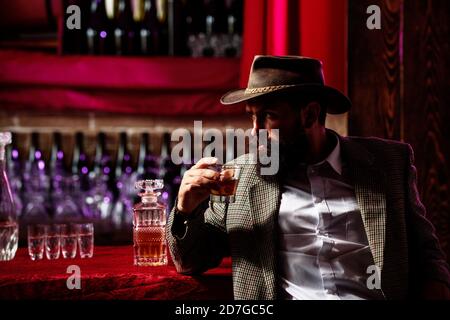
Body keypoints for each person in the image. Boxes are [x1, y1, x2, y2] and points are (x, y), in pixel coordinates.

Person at [166, 55, 450, 300]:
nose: (255, 131)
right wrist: (184, 208)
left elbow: (428, 255)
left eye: (268, 116)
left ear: (310, 114)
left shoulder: (388, 164)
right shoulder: (240, 178)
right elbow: (190, 261)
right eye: (252, 117)